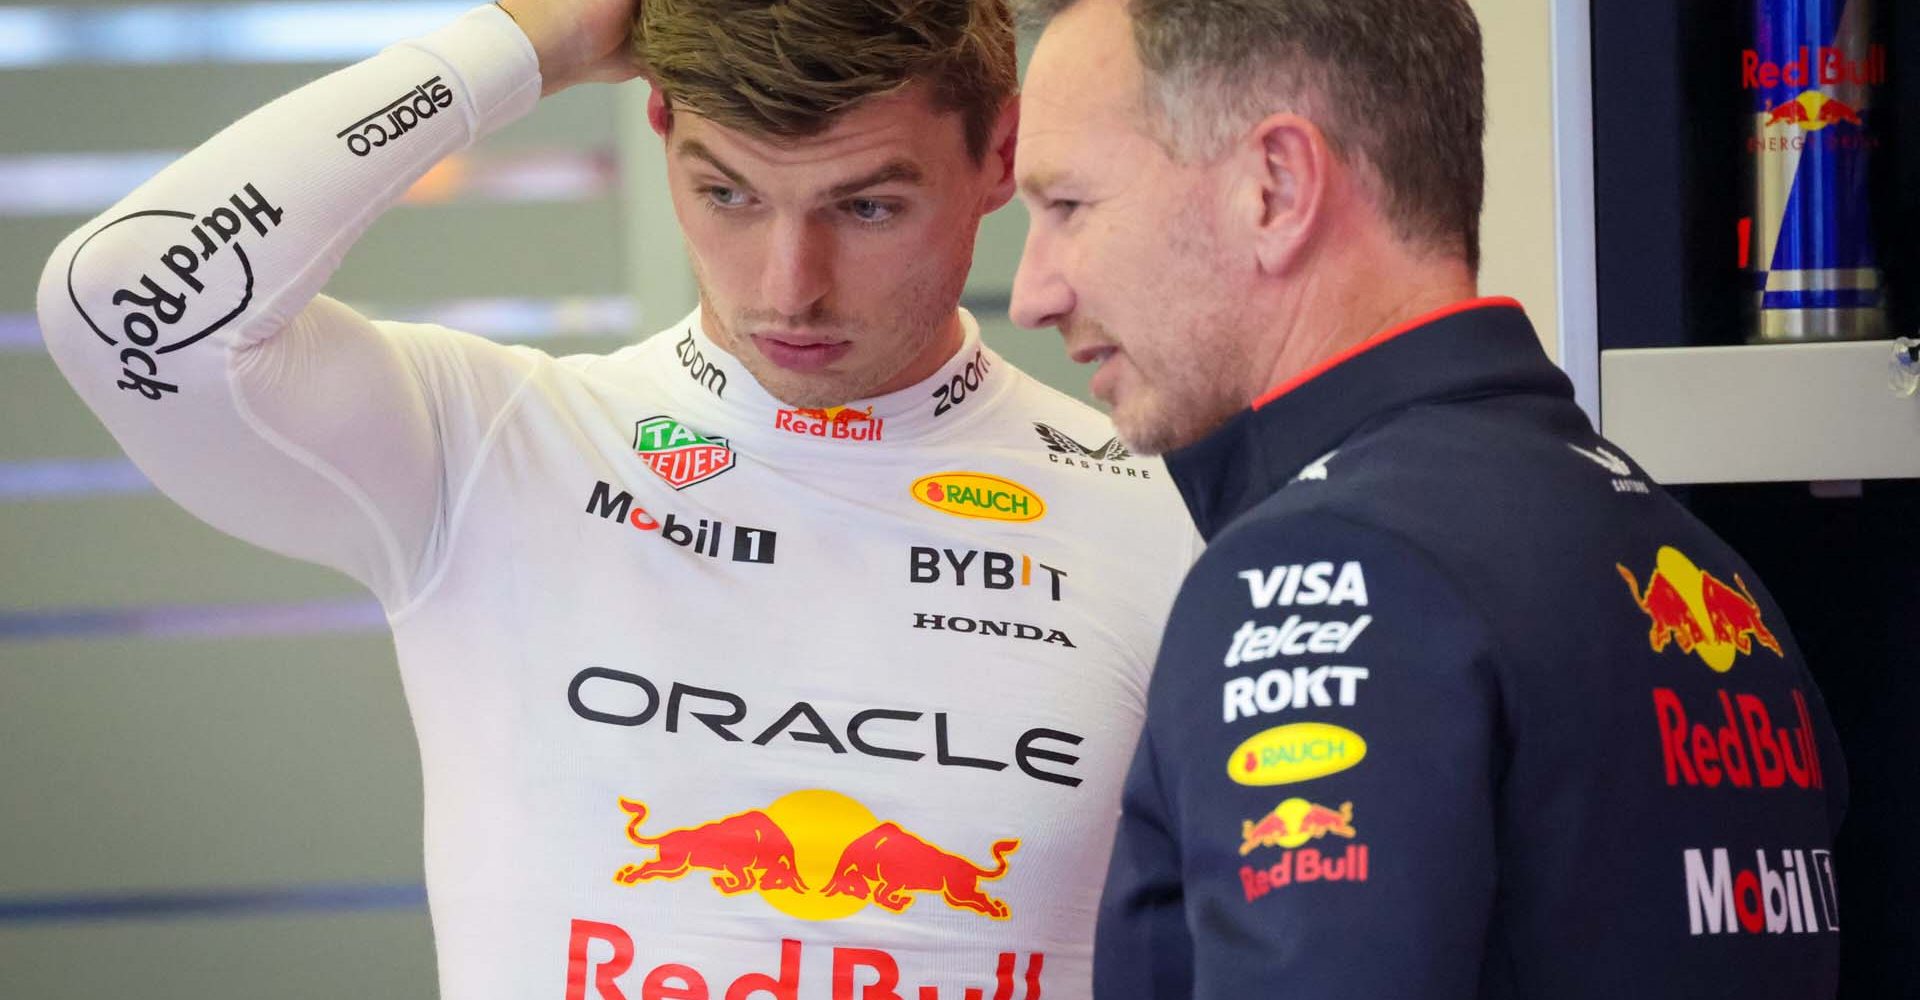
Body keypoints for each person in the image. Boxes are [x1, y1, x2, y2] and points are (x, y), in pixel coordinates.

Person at [34, 0, 1202, 996]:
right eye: (729, 193)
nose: (787, 287)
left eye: (866, 207)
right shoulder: (493, 441)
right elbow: (126, 300)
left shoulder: (1170, 514)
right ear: (659, 127)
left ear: (1001, 156)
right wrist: (526, 41)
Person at [1008, 0, 1848, 997]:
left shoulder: (1323, 563)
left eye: (1068, 206)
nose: (1032, 291)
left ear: (1274, 188)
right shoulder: (1702, 571)